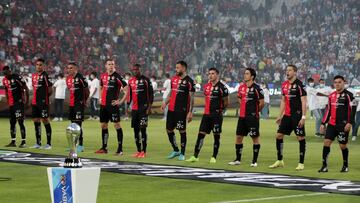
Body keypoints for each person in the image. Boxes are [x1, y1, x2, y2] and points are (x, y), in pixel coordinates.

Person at [186, 67, 228, 163]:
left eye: (213, 73)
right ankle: (195, 156)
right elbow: (206, 99)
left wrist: (220, 111)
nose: (210, 75)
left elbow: (226, 102)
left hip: (216, 115)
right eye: (209, 73)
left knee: (216, 136)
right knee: (200, 135)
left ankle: (214, 157)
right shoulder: (207, 86)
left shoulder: (222, 87)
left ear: (217, 75)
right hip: (206, 115)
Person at [269, 64, 307, 170]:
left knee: (300, 138)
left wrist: (303, 117)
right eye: (286, 70)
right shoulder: (284, 85)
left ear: (295, 72)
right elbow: (283, 101)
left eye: (290, 70)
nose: (287, 72)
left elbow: (304, 101)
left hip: (297, 115)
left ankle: (301, 163)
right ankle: (280, 160)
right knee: (279, 136)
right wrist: (279, 116)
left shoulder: (300, 85)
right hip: (287, 115)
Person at [318, 75, 356, 173]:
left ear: (344, 82)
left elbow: (353, 110)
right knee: (326, 142)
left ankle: (345, 165)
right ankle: (324, 166)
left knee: (342, 146)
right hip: (332, 124)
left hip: (343, 125)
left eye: (339, 82)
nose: (337, 84)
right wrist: (323, 123)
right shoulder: (331, 96)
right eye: (336, 82)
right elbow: (328, 111)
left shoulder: (349, 95)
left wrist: (350, 123)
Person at [228, 68, 264, 167]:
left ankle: (254, 161)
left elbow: (261, 103)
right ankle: (237, 159)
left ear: (252, 76)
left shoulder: (257, 88)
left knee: (255, 138)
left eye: (247, 74)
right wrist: (244, 106)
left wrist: (254, 111)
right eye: (244, 73)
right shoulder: (241, 87)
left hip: (252, 118)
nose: (245, 75)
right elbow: (239, 98)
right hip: (242, 117)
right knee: (239, 137)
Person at [161, 60, 195, 161]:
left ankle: (182, 153)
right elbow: (171, 93)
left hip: (181, 110)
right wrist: (165, 102)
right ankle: (176, 150)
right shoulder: (174, 79)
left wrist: (190, 112)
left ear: (184, 68)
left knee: (182, 131)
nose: (176, 69)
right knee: (169, 130)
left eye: (178, 68)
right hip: (171, 109)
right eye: (176, 68)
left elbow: (192, 98)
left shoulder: (190, 81)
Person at [95, 58, 128, 155]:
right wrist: (100, 98)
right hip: (104, 105)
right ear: (106, 66)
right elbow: (101, 87)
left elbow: (127, 89)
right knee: (103, 125)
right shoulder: (103, 76)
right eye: (109, 64)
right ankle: (104, 148)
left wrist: (120, 101)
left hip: (113, 105)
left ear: (114, 66)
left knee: (117, 125)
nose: (111, 66)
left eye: (112, 64)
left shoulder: (118, 77)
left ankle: (120, 149)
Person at [127, 64, 154, 158]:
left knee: (143, 129)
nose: (135, 71)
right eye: (134, 70)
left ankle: (144, 151)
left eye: (137, 69)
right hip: (134, 110)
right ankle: (138, 150)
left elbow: (151, 94)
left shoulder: (146, 80)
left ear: (140, 70)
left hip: (144, 109)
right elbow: (129, 95)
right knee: (135, 130)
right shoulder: (130, 81)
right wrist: (128, 106)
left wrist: (149, 107)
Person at [2, 66, 29, 148]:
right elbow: (6, 90)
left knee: (20, 121)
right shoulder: (4, 80)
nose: (7, 74)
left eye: (8, 72)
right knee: (12, 123)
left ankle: (23, 142)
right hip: (11, 105)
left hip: (19, 103)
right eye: (6, 73)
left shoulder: (17, 77)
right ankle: (13, 142)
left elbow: (26, 88)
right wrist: (7, 101)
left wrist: (27, 101)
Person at [66, 62, 89, 152]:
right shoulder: (67, 79)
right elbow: (71, 91)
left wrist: (84, 101)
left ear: (76, 69)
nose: (69, 70)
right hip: (71, 105)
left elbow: (87, 91)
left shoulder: (81, 78)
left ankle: (81, 145)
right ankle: (73, 145)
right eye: (68, 68)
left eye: (71, 68)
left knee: (78, 125)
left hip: (79, 104)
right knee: (73, 125)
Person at [30, 58, 53, 149]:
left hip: (43, 102)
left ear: (44, 66)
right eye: (37, 65)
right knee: (36, 120)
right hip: (35, 102)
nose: (38, 66)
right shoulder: (34, 75)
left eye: (40, 65)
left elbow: (50, 90)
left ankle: (48, 143)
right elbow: (34, 88)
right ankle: (38, 143)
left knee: (45, 120)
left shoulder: (45, 76)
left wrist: (44, 98)